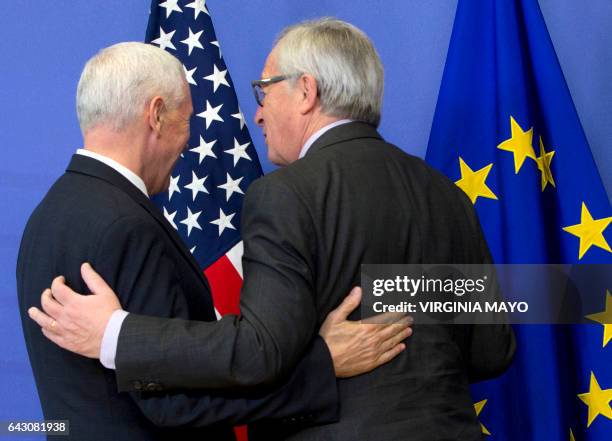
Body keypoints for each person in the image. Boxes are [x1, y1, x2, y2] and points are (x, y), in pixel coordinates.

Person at [30, 19, 515, 440]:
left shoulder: (285, 194)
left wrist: (117, 334)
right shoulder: (446, 194)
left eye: (264, 90)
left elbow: (261, 350)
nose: (257, 112)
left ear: (306, 91)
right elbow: (494, 350)